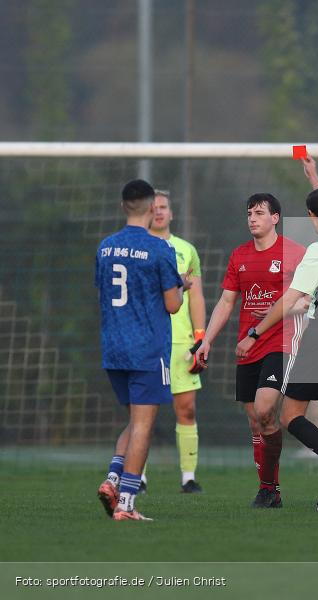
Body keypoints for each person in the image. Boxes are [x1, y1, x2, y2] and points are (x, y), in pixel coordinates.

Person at [237, 186, 318, 511]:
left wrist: (254, 331)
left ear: (309, 215)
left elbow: (290, 299)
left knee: (290, 416)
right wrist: (312, 177)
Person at [196, 193, 306, 508]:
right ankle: (269, 489)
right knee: (256, 421)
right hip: (248, 347)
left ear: (276, 218)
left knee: (264, 409)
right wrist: (207, 339)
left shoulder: (293, 253)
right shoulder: (239, 255)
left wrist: (279, 311)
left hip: (280, 342)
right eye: (249, 213)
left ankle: (269, 487)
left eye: (259, 213)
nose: (252, 218)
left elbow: (306, 300)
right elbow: (227, 302)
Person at [96, 179, 186, 521]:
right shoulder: (159, 249)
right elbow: (173, 305)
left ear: (123, 207)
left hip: (113, 347)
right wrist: (182, 285)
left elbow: (105, 293)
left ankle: (113, 479)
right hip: (147, 349)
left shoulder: (105, 247)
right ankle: (127, 505)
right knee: (144, 426)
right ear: (152, 209)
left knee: (134, 421)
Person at [149, 190, 206, 493]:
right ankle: (139, 477)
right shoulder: (138, 248)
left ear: (171, 213)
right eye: (153, 207)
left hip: (181, 343)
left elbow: (195, 295)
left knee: (187, 410)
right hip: (149, 341)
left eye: (163, 207)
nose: (158, 211)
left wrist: (200, 338)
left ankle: (188, 477)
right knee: (144, 409)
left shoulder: (187, 250)